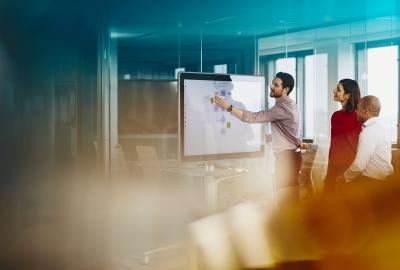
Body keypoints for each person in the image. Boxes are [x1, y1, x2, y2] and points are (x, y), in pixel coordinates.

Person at [213, 72, 301, 203]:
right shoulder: (289, 104)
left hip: (287, 158)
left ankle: (290, 222)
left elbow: (253, 117)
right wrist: (273, 136)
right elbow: (290, 129)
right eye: (272, 83)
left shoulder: (282, 108)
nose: (271, 86)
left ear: (285, 90)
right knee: (288, 196)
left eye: (275, 85)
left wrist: (227, 107)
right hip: (291, 156)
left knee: (286, 199)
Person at [337, 95, 393, 191]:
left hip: (370, 183)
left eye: (358, 109)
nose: (356, 112)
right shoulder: (383, 127)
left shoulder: (369, 131)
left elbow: (359, 166)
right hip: (384, 181)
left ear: (365, 111)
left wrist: (342, 177)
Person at [324, 79, 362, 193]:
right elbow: (334, 143)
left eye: (338, 90)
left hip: (349, 166)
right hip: (333, 166)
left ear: (348, 95)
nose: (334, 91)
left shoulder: (358, 117)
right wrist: (329, 167)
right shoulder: (335, 116)